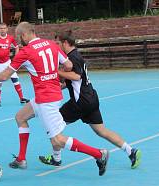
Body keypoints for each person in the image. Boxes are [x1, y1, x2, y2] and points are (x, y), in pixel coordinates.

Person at [0, 22, 109, 176]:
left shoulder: (25, 51)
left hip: (46, 99)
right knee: (20, 117)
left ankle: (98, 154)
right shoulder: (51, 44)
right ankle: (21, 159)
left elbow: (4, 76)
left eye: (19, 37)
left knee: (58, 140)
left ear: (24, 35)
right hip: (51, 94)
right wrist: (53, 73)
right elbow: (69, 65)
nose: (19, 40)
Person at [39, 30, 141, 169]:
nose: (56, 46)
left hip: (80, 101)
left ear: (66, 43)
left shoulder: (72, 57)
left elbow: (76, 77)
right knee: (101, 131)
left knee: (53, 125)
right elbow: (72, 82)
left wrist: (56, 72)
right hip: (91, 98)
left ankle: (56, 159)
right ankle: (131, 151)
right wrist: (57, 85)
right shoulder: (76, 56)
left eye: (57, 43)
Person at [0, 23, 29, 107]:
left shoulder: (10, 38)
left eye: (4, 28)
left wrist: (16, 56)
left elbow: (16, 47)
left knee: (15, 79)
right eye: (1, 28)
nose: (2, 30)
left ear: (7, 29)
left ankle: (21, 98)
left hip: (7, 62)